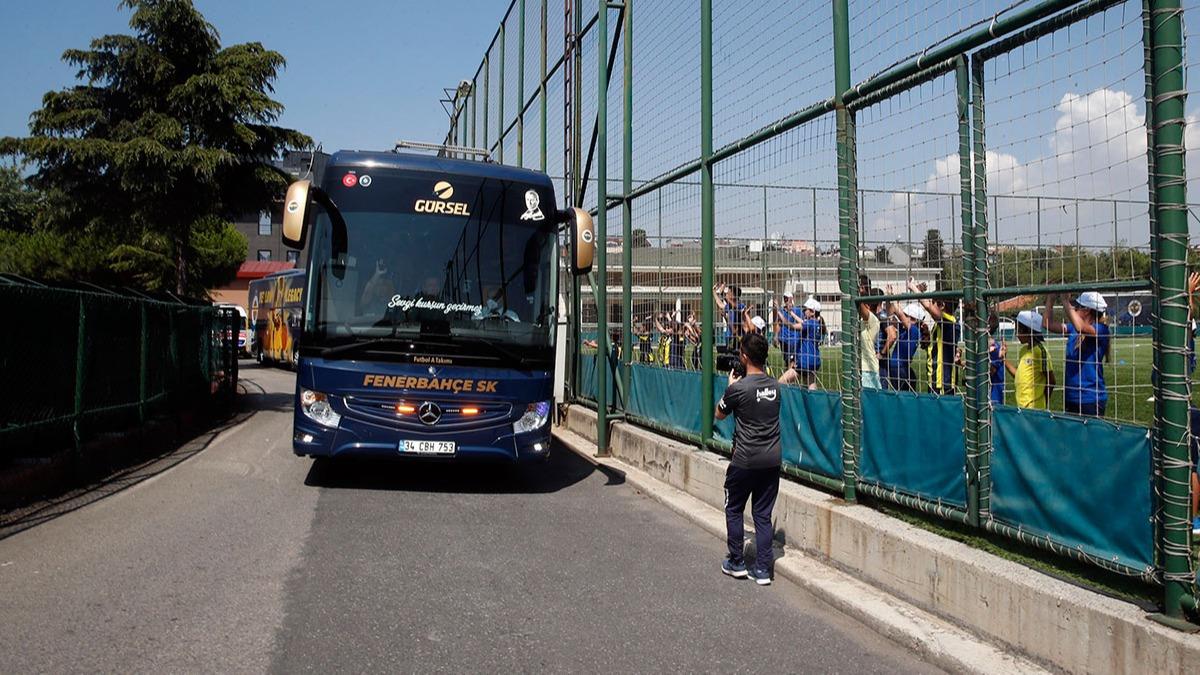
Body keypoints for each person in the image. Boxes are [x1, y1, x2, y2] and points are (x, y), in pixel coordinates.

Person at [715, 332, 781, 586]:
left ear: (744, 356)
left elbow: (719, 414)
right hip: (772, 460)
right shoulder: (775, 387)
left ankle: (736, 562)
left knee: (734, 508)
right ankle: (763, 569)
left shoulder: (738, 389)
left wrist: (729, 388)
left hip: (744, 459)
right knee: (763, 515)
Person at [1045, 292, 1110, 416]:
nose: (1074, 309)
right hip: (1071, 396)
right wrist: (1050, 299)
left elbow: (1081, 327)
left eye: (1077, 307)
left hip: (1091, 398)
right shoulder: (1073, 329)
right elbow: (1047, 324)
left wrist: (1065, 301)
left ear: (1087, 310)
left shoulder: (1101, 329)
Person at [909, 278, 960, 395]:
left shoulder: (949, 322)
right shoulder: (941, 325)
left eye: (933, 302)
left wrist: (913, 288)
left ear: (941, 305)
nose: (931, 305)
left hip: (942, 382)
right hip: (935, 380)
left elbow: (928, 307)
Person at [1003, 310, 1054, 409]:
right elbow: (1018, 374)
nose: (1017, 334)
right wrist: (1003, 359)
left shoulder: (1040, 352)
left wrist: (1044, 402)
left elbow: (1051, 381)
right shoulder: (1024, 350)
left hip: (1035, 408)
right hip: (1021, 406)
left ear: (1028, 331)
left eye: (1018, 330)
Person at [884, 301, 923, 391]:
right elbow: (890, 316)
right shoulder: (905, 330)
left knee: (903, 392)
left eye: (907, 316)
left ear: (913, 319)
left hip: (900, 367)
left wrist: (892, 298)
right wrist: (888, 300)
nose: (904, 318)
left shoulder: (914, 330)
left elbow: (899, 314)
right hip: (898, 366)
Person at [858, 288, 883, 390]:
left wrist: (857, 292)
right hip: (859, 368)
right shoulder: (860, 320)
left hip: (868, 370)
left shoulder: (873, 320)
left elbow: (860, 306)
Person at [714, 283, 745, 348]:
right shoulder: (729, 306)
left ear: (733, 295)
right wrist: (714, 292)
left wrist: (723, 294)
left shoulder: (740, 306)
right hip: (729, 337)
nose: (727, 294)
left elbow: (734, 306)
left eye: (728, 293)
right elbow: (720, 304)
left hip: (738, 337)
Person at [988, 313, 1006, 406]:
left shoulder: (996, 349)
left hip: (993, 398)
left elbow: (989, 372)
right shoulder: (983, 348)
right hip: (981, 397)